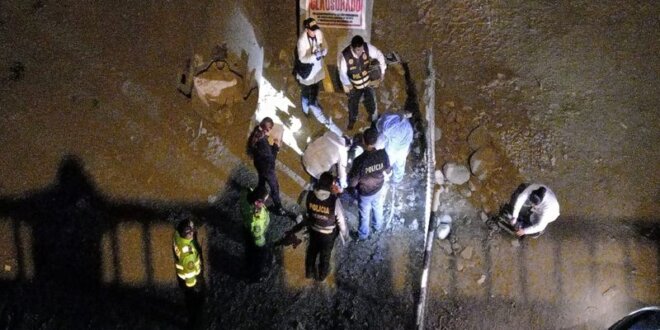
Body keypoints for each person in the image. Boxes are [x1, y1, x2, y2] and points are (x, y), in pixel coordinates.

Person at [290, 172, 348, 281]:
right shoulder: (334, 201)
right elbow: (341, 221)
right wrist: (344, 234)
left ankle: (309, 272)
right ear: (331, 185)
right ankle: (322, 275)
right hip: (328, 234)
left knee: (312, 250)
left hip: (314, 229)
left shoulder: (308, 195)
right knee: (325, 255)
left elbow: (302, 211)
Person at [348, 128, 391, 240]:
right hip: (379, 187)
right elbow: (387, 170)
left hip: (365, 193)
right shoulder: (383, 154)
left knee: (364, 214)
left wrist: (351, 187)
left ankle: (363, 235)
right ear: (376, 140)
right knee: (378, 206)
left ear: (363, 141)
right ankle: (378, 226)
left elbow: (353, 182)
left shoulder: (359, 161)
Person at [338, 35, 386, 130]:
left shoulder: (367, 48)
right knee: (353, 104)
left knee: (371, 101)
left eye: (361, 49)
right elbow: (342, 74)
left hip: (367, 82)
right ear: (352, 48)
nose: (360, 52)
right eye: (357, 50)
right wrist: (348, 86)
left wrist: (383, 72)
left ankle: (372, 116)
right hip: (355, 86)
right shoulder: (345, 57)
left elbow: (379, 55)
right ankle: (352, 120)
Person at [296, 18, 334, 128]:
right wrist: (314, 56)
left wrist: (324, 51)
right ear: (307, 29)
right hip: (307, 73)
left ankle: (313, 102)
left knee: (315, 89)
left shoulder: (318, 33)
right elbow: (302, 59)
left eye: (315, 29)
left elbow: (325, 45)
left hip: (317, 71)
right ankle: (306, 110)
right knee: (305, 94)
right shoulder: (302, 41)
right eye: (312, 30)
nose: (315, 32)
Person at [246, 117, 287, 216]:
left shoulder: (257, 132)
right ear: (267, 129)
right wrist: (276, 146)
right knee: (274, 188)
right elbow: (271, 158)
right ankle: (278, 207)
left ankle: (253, 198)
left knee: (262, 182)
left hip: (259, 163)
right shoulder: (263, 143)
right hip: (267, 168)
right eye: (270, 129)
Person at [239, 184, 272, 281]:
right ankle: (257, 275)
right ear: (257, 202)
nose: (265, 203)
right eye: (264, 201)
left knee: (248, 250)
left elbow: (247, 190)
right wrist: (262, 246)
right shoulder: (257, 221)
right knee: (258, 257)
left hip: (246, 228)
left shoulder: (246, 194)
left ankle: (248, 266)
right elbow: (258, 237)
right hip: (256, 238)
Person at [374, 112, 414, 184]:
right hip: (403, 150)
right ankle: (397, 180)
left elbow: (379, 144)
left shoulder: (387, 129)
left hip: (391, 151)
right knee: (400, 165)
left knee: (386, 165)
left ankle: (384, 180)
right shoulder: (406, 125)